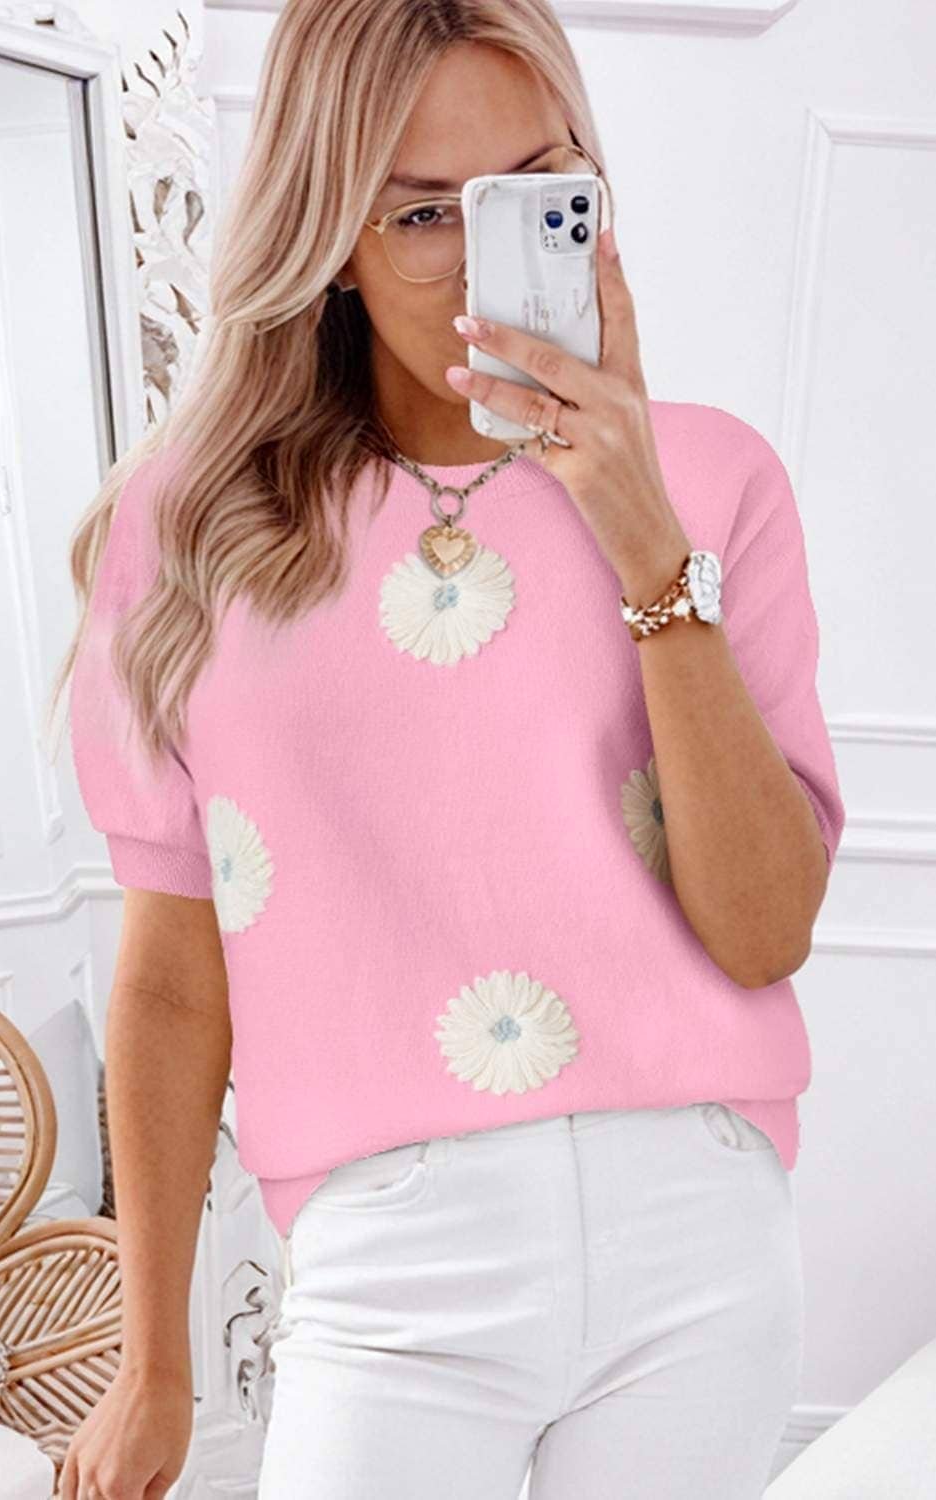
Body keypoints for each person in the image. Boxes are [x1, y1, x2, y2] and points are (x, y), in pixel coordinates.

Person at [51, 1, 845, 1496]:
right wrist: (151, 1363)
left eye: (534, 191)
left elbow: (763, 931)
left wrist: (641, 538)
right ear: (329, 242)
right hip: (389, 1262)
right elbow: (169, 977)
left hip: (699, 1232)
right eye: (424, 213)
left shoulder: (716, 480)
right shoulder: (195, 526)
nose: (486, 270)